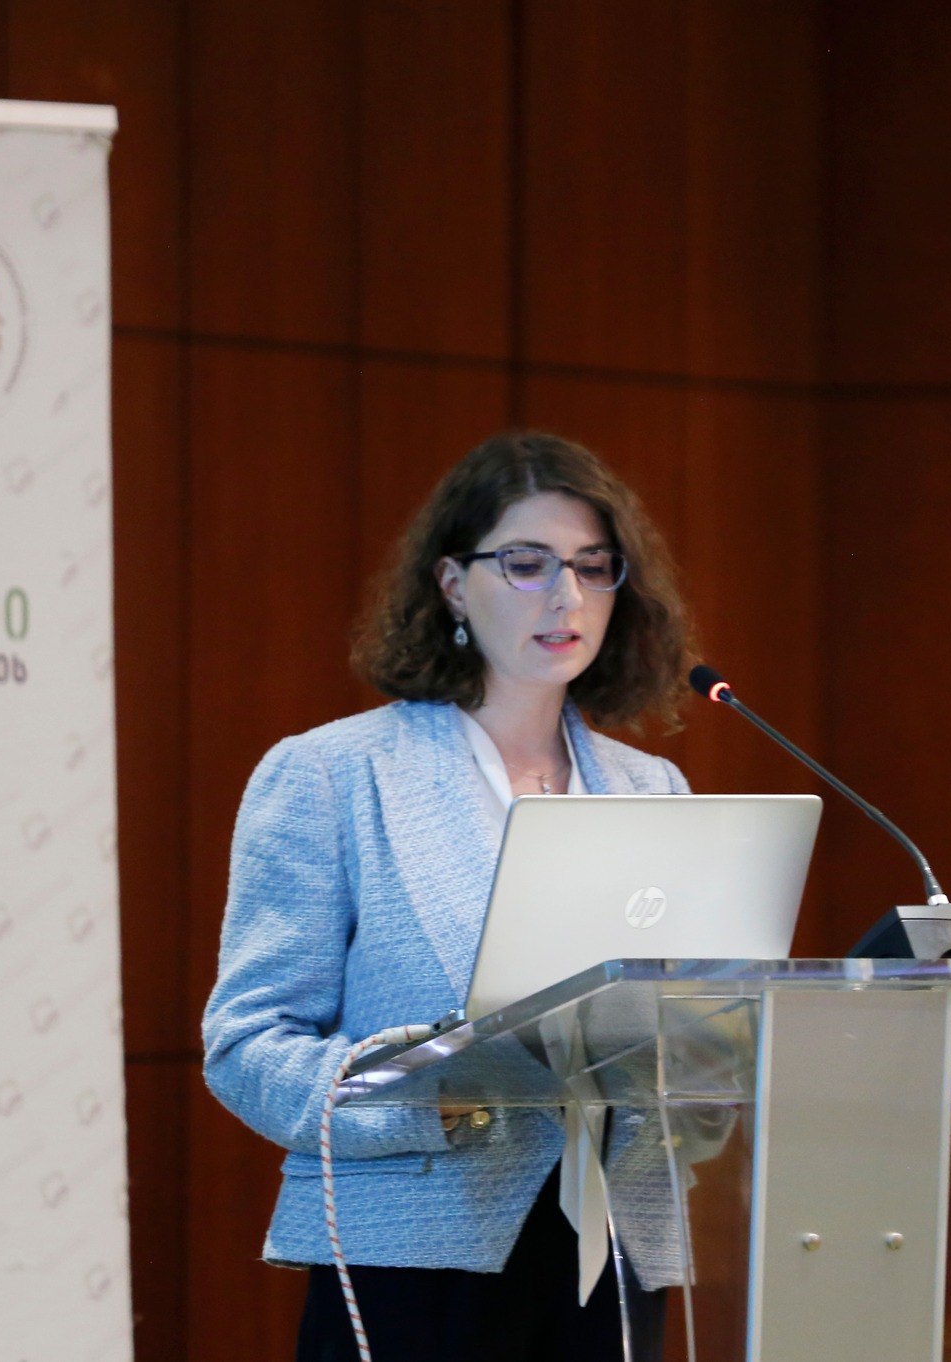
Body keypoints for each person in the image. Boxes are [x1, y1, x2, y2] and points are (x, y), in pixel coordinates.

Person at [201, 431, 697, 1362]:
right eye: (526, 564)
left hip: (612, 1252)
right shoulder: (332, 776)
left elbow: (687, 1027)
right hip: (415, 1256)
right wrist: (426, 1103)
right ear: (452, 583)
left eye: (593, 566)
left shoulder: (652, 788)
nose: (566, 596)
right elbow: (247, 1046)